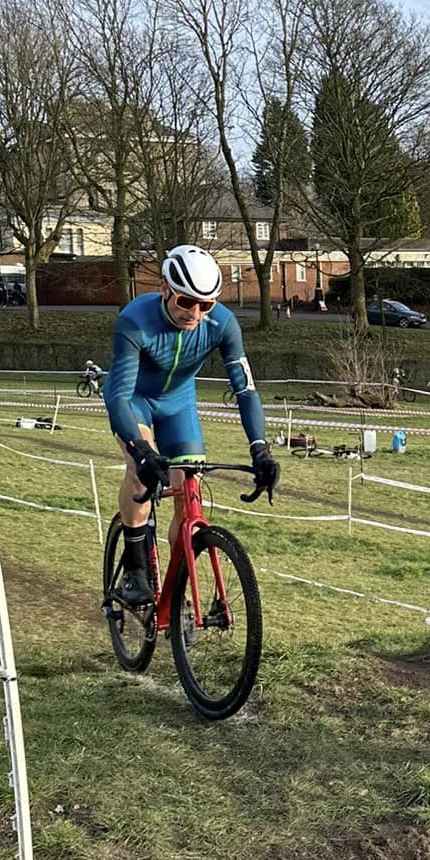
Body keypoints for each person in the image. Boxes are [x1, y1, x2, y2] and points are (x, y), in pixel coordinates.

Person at [104, 245, 280, 608]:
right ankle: (136, 573)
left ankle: (176, 585)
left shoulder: (223, 325)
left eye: (206, 305)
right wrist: (140, 450)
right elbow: (119, 396)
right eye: (186, 301)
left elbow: (245, 389)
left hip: (179, 405)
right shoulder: (135, 320)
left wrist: (260, 448)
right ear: (166, 289)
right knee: (142, 475)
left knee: (189, 496)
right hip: (133, 399)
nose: (195, 313)